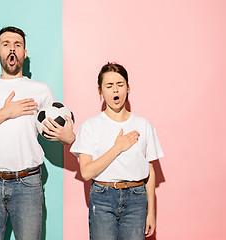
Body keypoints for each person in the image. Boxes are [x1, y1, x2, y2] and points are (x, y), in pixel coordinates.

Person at [0, 26, 75, 240]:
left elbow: (61, 130)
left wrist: (69, 138)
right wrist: (5, 113)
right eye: (6, 45)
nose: (12, 49)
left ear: (24, 53)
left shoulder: (41, 90)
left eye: (17, 45)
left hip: (28, 184)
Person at [70, 62, 164, 240]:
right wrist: (118, 147)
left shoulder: (144, 125)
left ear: (128, 88)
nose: (115, 90)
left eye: (120, 85)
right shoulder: (90, 126)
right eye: (109, 86)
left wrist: (151, 212)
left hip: (137, 199)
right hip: (102, 198)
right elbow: (86, 172)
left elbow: (150, 171)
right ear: (100, 91)